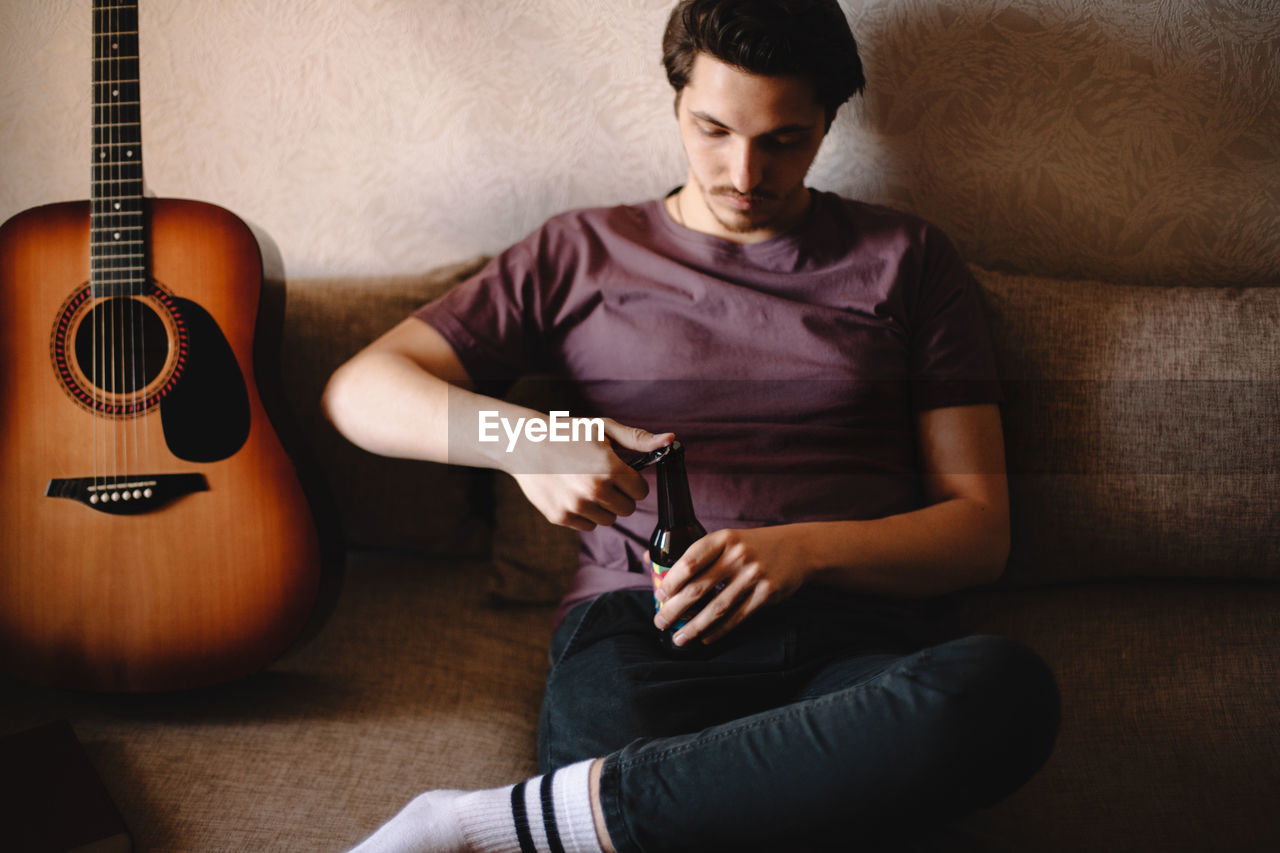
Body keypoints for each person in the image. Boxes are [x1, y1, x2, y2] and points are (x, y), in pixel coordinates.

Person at [326, 1, 1060, 851]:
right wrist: (528, 441)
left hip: (856, 647)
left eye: (783, 139)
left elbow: (978, 532)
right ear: (676, 102)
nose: (744, 171)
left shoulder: (909, 258)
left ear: (828, 124)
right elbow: (360, 389)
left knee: (1004, 689)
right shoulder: (582, 251)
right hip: (645, 633)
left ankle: (508, 827)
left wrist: (800, 550)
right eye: (713, 129)